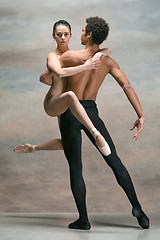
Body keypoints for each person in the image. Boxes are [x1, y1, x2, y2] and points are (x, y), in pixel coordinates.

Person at [56, 17, 149, 230]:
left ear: (89, 35)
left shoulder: (70, 56)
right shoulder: (108, 62)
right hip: (91, 111)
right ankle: (138, 210)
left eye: (81, 31)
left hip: (71, 113)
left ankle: (84, 220)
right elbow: (127, 86)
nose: (79, 34)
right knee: (113, 159)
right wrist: (140, 114)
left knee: (76, 167)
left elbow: (49, 75)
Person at [14, 20, 112, 156]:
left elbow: (107, 49)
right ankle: (96, 133)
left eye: (66, 34)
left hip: (67, 104)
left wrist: (98, 55)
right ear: (53, 36)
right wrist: (85, 66)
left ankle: (32, 148)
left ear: (71, 35)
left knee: (67, 144)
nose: (62, 38)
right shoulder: (53, 56)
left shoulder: (72, 55)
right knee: (71, 94)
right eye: (59, 35)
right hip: (53, 102)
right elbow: (59, 73)